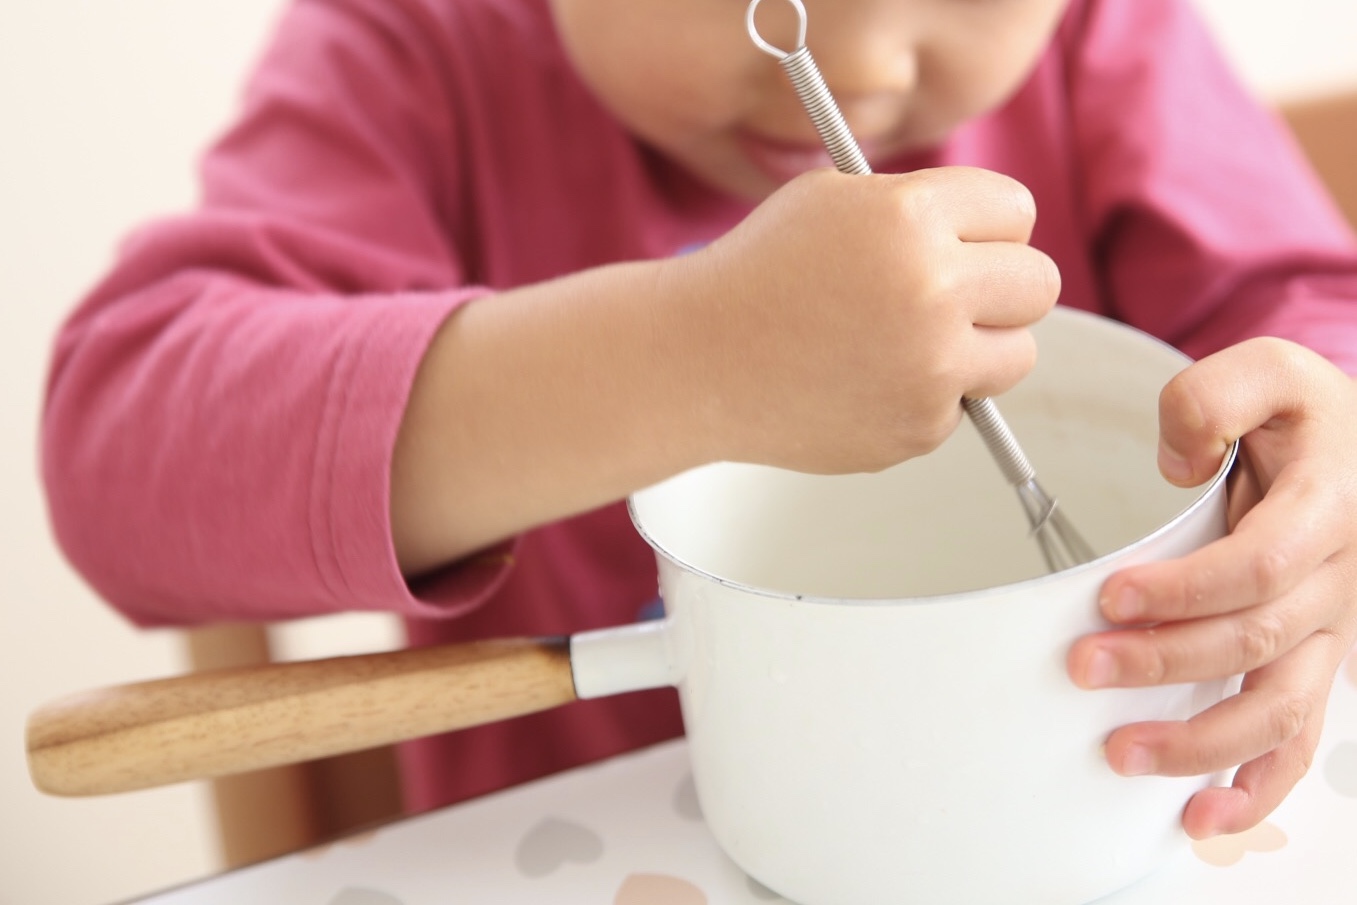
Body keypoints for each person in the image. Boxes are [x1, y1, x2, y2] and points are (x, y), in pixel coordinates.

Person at [41, 0, 1357, 839]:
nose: (852, 58)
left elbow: (1303, 315)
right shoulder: (413, 50)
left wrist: (1321, 449)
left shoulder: (1102, 34)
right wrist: (692, 354)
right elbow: (119, 450)